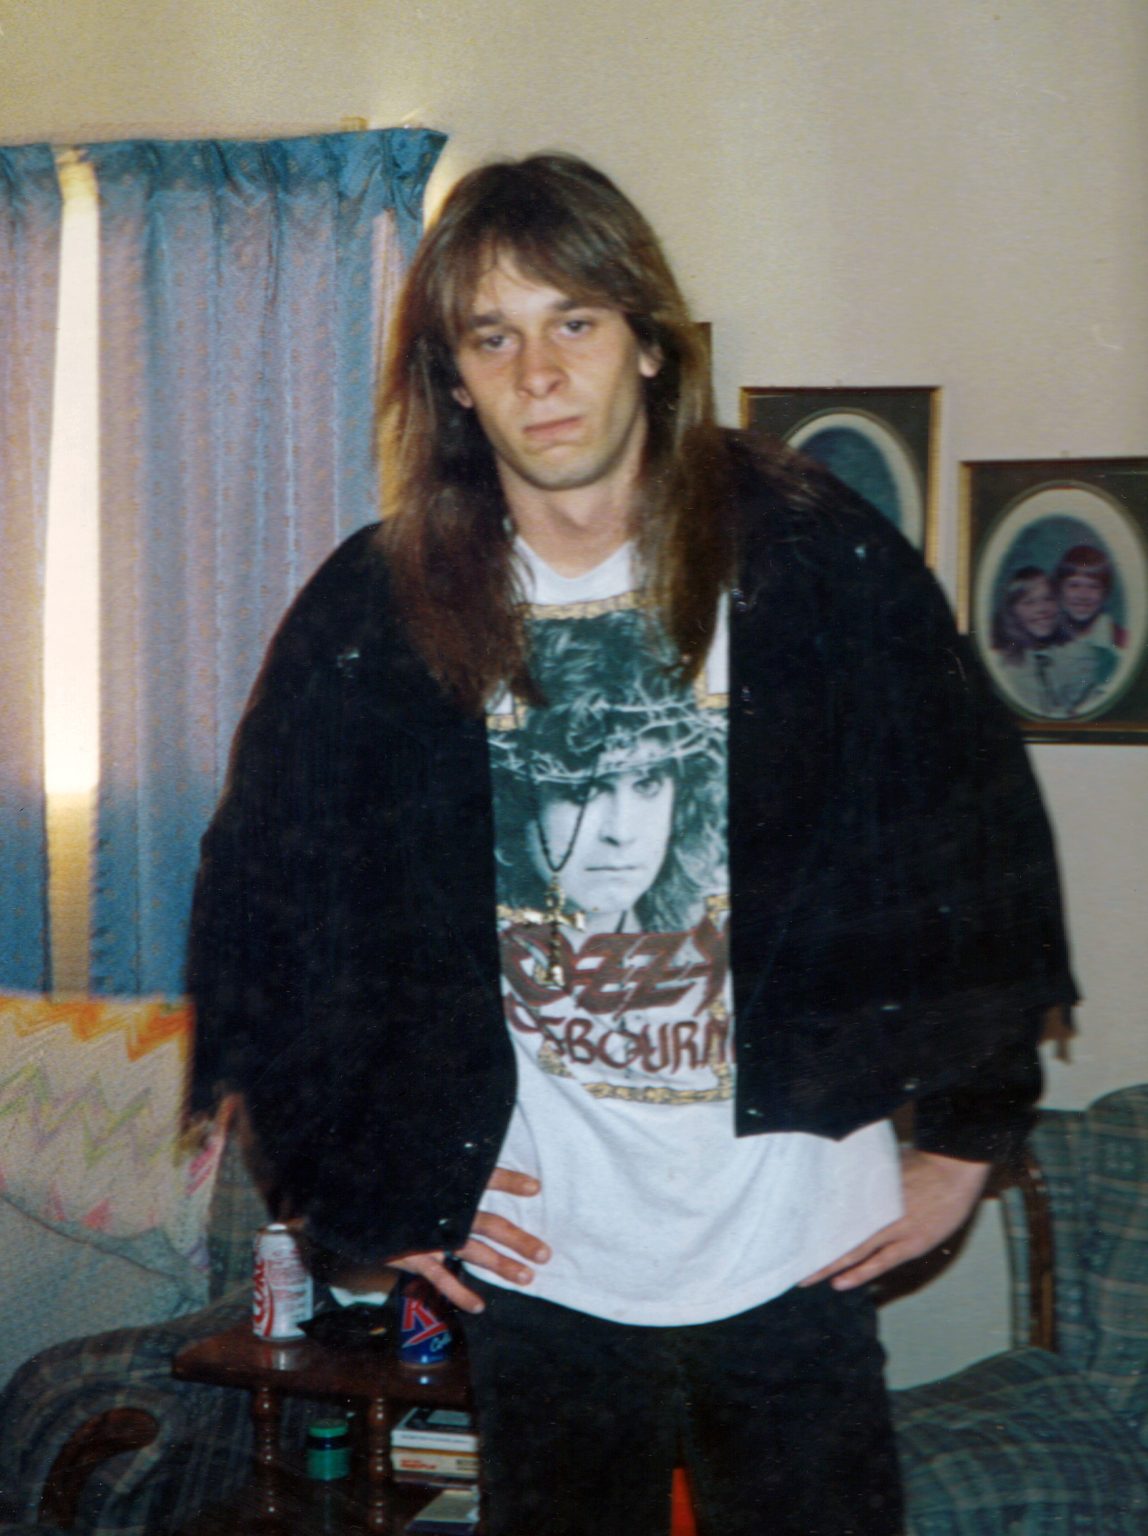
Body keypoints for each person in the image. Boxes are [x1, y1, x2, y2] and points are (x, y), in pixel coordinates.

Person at [188, 154, 1076, 1536]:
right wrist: (364, 1194)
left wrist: (969, 1141)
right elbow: (270, 908)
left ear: (650, 346)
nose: (541, 374)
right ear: (454, 382)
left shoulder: (811, 559)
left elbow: (972, 839)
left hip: (798, 1248)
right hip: (543, 1264)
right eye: (493, 337)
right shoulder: (378, 608)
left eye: (575, 323)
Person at [1051, 543, 1126, 714]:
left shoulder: (1119, 641)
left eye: (1093, 586)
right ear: (1059, 590)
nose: (1083, 595)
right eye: (1074, 585)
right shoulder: (1045, 637)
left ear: (1105, 593)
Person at [988, 564, 1071, 717]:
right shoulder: (1001, 664)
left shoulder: (1068, 654)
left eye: (1048, 599)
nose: (1042, 609)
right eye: (1029, 602)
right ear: (1012, 611)